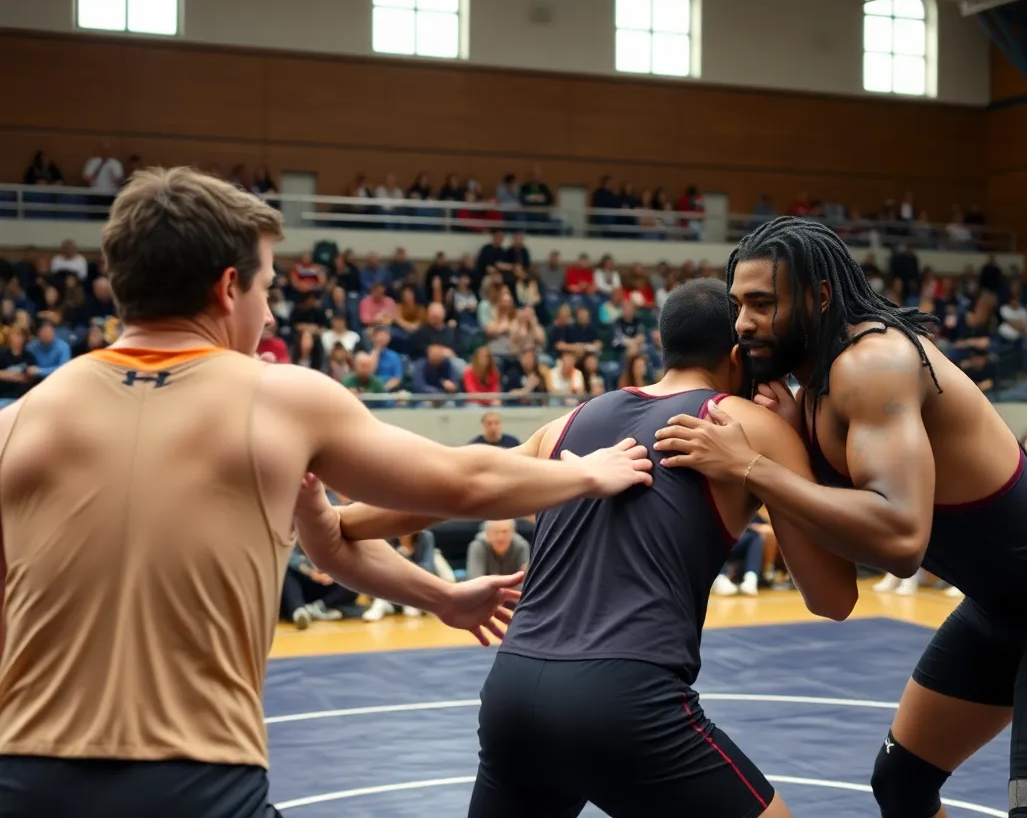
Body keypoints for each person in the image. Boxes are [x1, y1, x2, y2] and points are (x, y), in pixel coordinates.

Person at [0, 167, 653, 818]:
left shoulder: (19, 421)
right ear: (230, 289)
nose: (269, 308)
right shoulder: (279, 401)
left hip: (24, 777)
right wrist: (589, 474)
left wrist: (442, 596)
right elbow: (465, 480)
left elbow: (328, 539)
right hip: (194, 778)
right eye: (268, 288)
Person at [308, 278, 860, 818]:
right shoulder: (746, 427)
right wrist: (795, 450)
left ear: (663, 349)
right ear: (740, 356)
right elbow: (832, 599)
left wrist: (338, 521)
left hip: (514, 692)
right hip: (622, 699)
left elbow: (455, 489)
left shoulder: (568, 422)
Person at [652, 218, 1027, 818]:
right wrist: (782, 444)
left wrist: (753, 465)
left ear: (819, 298)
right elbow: (832, 596)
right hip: (996, 610)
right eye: (736, 305)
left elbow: (903, 538)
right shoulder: (811, 395)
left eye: (761, 303)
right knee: (900, 783)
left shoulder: (871, 363)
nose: (743, 323)